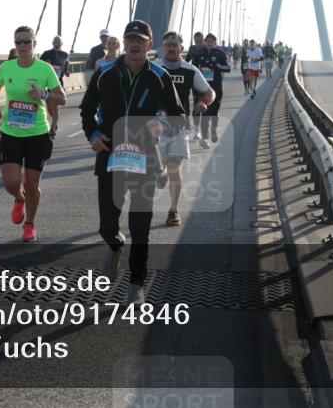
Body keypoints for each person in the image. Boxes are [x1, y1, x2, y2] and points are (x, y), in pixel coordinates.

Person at [80, 20, 186, 305]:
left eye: (141, 41)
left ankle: (136, 282)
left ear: (150, 45)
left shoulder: (160, 77)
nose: (135, 45)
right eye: (130, 40)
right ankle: (115, 245)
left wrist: (163, 124)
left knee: (140, 225)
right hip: (110, 156)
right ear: (123, 44)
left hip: (145, 159)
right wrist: (93, 134)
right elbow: (87, 111)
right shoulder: (105, 74)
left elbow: (179, 117)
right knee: (107, 225)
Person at [0, 26, 65, 242]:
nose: (22, 45)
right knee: (11, 183)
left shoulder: (44, 69)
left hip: (37, 134)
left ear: (34, 44)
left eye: (26, 41)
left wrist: (44, 94)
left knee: (32, 185)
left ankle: (29, 224)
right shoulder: (7, 68)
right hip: (11, 132)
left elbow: (62, 98)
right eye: (18, 42)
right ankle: (19, 198)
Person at [154, 31, 214, 227]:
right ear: (163, 48)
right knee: (160, 168)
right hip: (156, 127)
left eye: (175, 45)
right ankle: (160, 172)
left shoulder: (190, 70)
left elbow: (210, 92)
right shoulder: (154, 68)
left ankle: (173, 210)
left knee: (174, 166)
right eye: (168, 45)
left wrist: (204, 103)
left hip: (180, 126)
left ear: (182, 48)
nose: (171, 49)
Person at [189, 32, 230, 144]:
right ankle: (205, 138)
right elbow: (193, 69)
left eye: (211, 41)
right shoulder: (199, 54)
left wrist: (216, 65)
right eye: (207, 41)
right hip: (204, 88)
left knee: (214, 112)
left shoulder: (220, 53)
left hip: (216, 87)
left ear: (215, 42)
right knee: (205, 112)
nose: (209, 43)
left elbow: (228, 68)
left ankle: (213, 130)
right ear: (205, 42)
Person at [40, 35, 69, 138]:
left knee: (56, 107)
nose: (57, 43)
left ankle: (53, 127)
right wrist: (46, 64)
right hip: (47, 83)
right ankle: (54, 121)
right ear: (52, 43)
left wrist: (66, 72)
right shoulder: (46, 53)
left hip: (58, 83)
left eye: (59, 42)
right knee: (50, 108)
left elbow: (65, 67)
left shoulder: (65, 55)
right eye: (55, 42)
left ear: (62, 44)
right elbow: (39, 65)